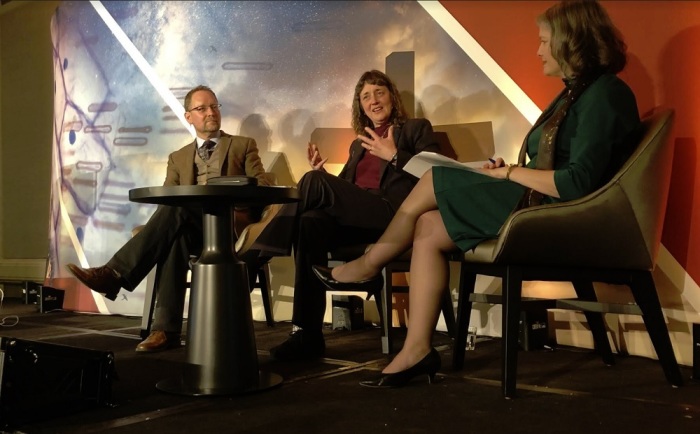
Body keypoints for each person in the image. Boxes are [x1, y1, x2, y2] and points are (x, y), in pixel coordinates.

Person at [314, 0, 641, 388]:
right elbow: (560, 165)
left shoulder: (605, 94)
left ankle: (370, 264)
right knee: (430, 225)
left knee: (434, 179)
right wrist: (509, 172)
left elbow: (578, 183)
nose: (537, 51)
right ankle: (417, 348)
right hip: (539, 200)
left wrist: (512, 172)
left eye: (543, 41)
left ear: (571, 42)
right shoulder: (576, 93)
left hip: (561, 211)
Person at [251, 70, 441, 361]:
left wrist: (393, 155)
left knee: (313, 185)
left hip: (397, 214)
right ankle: (307, 335)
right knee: (309, 220)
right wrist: (322, 175)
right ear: (360, 106)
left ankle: (259, 251)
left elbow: (435, 175)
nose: (373, 101)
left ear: (392, 96)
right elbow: (345, 193)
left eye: (379, 92)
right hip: (362, 217)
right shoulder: (358, 143)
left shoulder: (416, 128)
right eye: (366, 96)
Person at [66, 85, 271, 353]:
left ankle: (118, 278)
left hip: (229, 226)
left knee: (179, 209)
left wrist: (239, 187)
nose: (211, 112)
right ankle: (164, 330)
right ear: (188, 117)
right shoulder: (178, 158)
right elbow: (167, 201)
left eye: (214, 106)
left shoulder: (242, 145)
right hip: (193, 227)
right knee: (176, 231)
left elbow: (263, 184)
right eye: (202, 108)